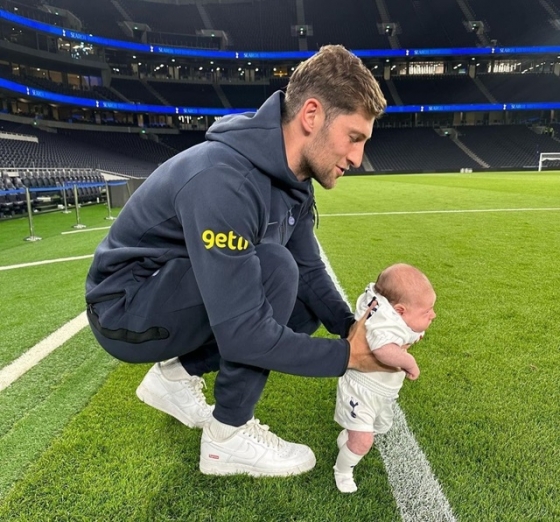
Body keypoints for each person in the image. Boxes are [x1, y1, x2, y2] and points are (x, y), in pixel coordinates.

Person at [85, 45, 388, 478]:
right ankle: (226, 438)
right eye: (354, 137)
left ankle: (175, 377)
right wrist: (347, 356)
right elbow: (245, 333)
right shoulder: (225, 179)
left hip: (174, 287)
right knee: (274, 268)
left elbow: (309, 269)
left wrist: (350, 327)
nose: (357, 158)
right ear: (311, 115)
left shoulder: (295, 180)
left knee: (302, 300)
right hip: (124, 309)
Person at [333, 263, 437, 493]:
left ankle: (350, 434)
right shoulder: (385, 324)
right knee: (363, 441)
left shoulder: (382, 304)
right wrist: (409, 362)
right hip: (362, 390)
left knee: (380, 426)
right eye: (426, 312)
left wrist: (415, 329)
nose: (433, 315)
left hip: (382, 391)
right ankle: (342, 471)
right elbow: (382, 349)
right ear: (399, 310)